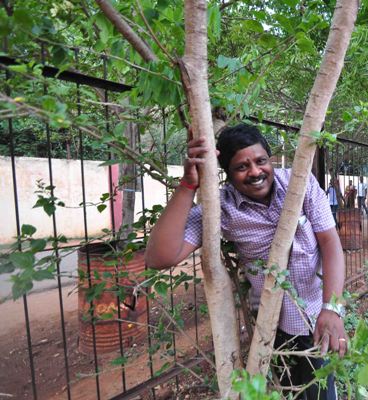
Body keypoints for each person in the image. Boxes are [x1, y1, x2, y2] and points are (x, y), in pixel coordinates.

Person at [145, 124, 346, 399]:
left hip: (316, 317)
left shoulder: (300, 184)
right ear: (227, 174)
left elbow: (330, 243)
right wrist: (188, 185)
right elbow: (159, 257)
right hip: (271, 325)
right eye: (242, 167)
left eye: (261, 161)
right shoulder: (222, 209)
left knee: (322, 392)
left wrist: (331, 309)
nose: (255, 172)